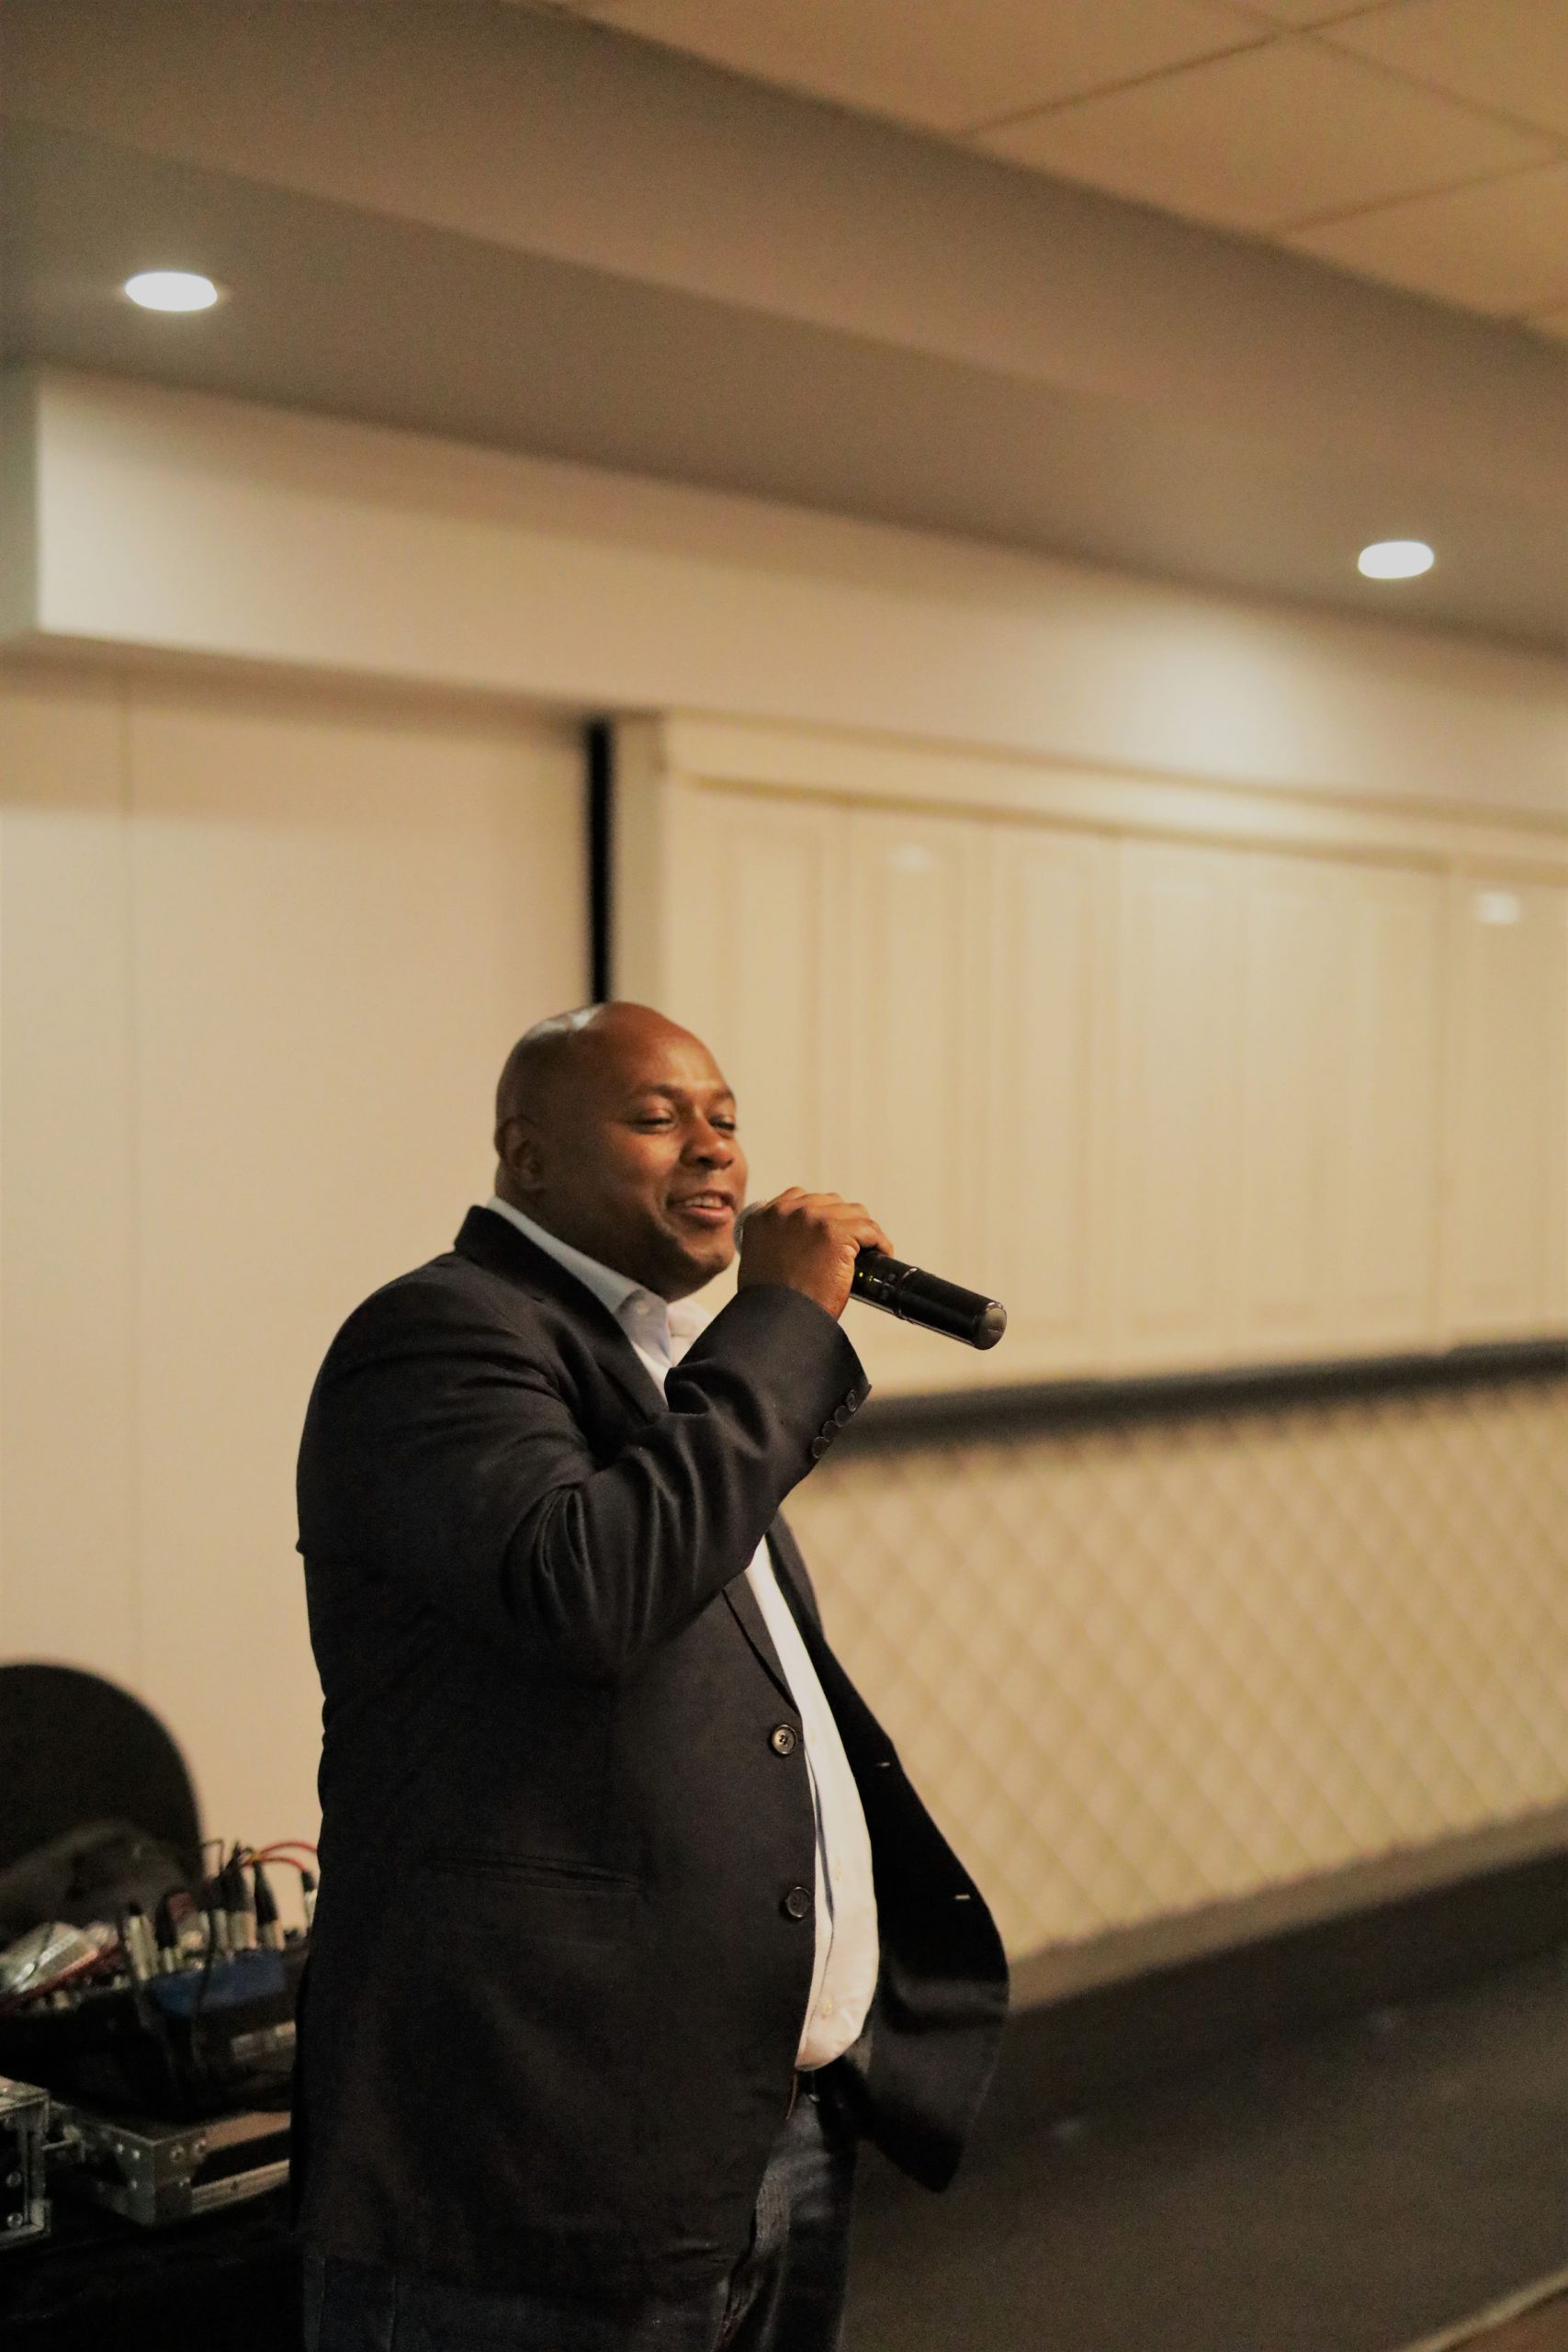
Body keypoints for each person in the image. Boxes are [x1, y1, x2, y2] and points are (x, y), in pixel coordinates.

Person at [294, 1001, 1008, 2352]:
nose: (714, 1149)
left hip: (751, 2134)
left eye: (726, 1119)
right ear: (527, 1154)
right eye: (656, 1117)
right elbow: (590, 1589)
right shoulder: (439, 1337)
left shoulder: (663, 1364)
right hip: (534, 2166)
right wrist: (782, 1321)